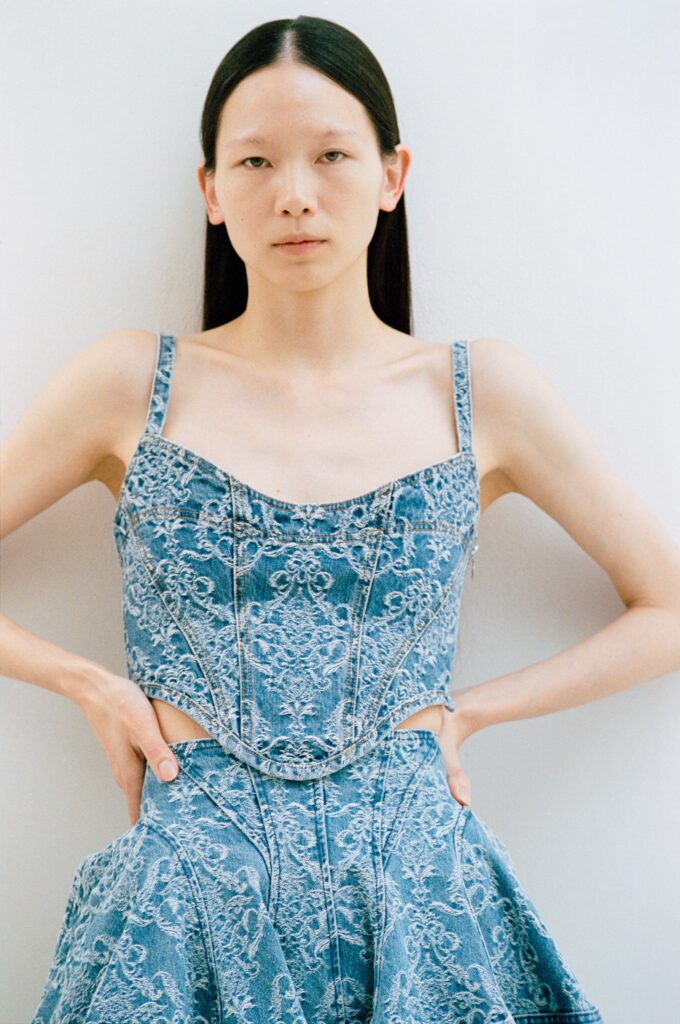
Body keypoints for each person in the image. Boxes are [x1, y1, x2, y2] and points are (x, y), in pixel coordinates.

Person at [2, 14, 678, 1024]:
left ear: (392, 174)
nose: (295, 193)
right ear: (211, 191)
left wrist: (471, 712)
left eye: (331, 155)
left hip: (422, 905)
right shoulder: (129, 382)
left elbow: (666, 606)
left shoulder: (479, 391)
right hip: (181, 912)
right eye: (255, 161)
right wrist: (85, 682)